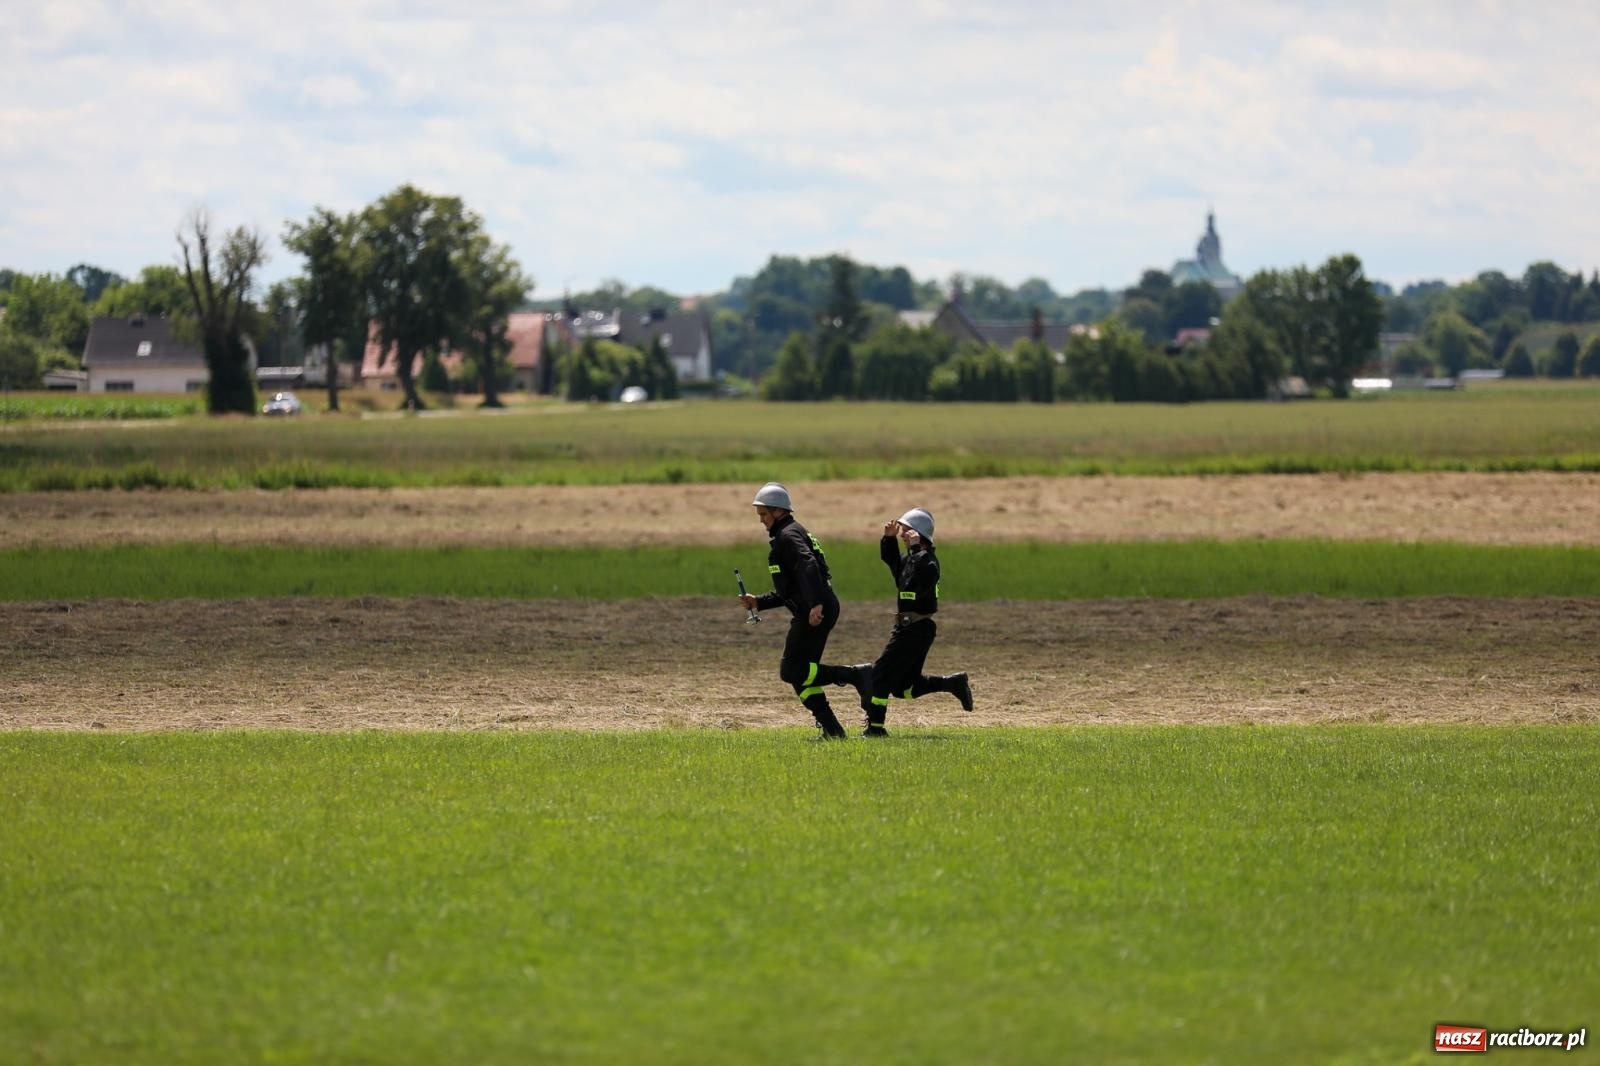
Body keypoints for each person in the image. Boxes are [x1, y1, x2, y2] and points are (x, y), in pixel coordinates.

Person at [738, 482, 865, 740]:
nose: (761, 520)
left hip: (814, 610)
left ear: (778, 511)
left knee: (791, 670)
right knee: (801, 675)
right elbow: (792, 589)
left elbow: (808, 563)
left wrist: (816, 603)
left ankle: (856, 674)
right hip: (816, 606)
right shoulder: (790, 533)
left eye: (764, 514)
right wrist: (758, 602)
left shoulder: (788, 536)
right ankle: (833, 731)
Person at [855, 507, 973, 737]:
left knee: (880, 675)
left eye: (906, 531)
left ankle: (875, 728)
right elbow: (893, 563)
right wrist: (888, 539)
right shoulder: (912, 559)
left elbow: (928, 574)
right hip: (909, 628)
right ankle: (952, 683)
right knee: (903, 687)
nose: (902, 534)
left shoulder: (927, 559)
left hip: (916, 628)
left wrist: (917, 548)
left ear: (919, 534)